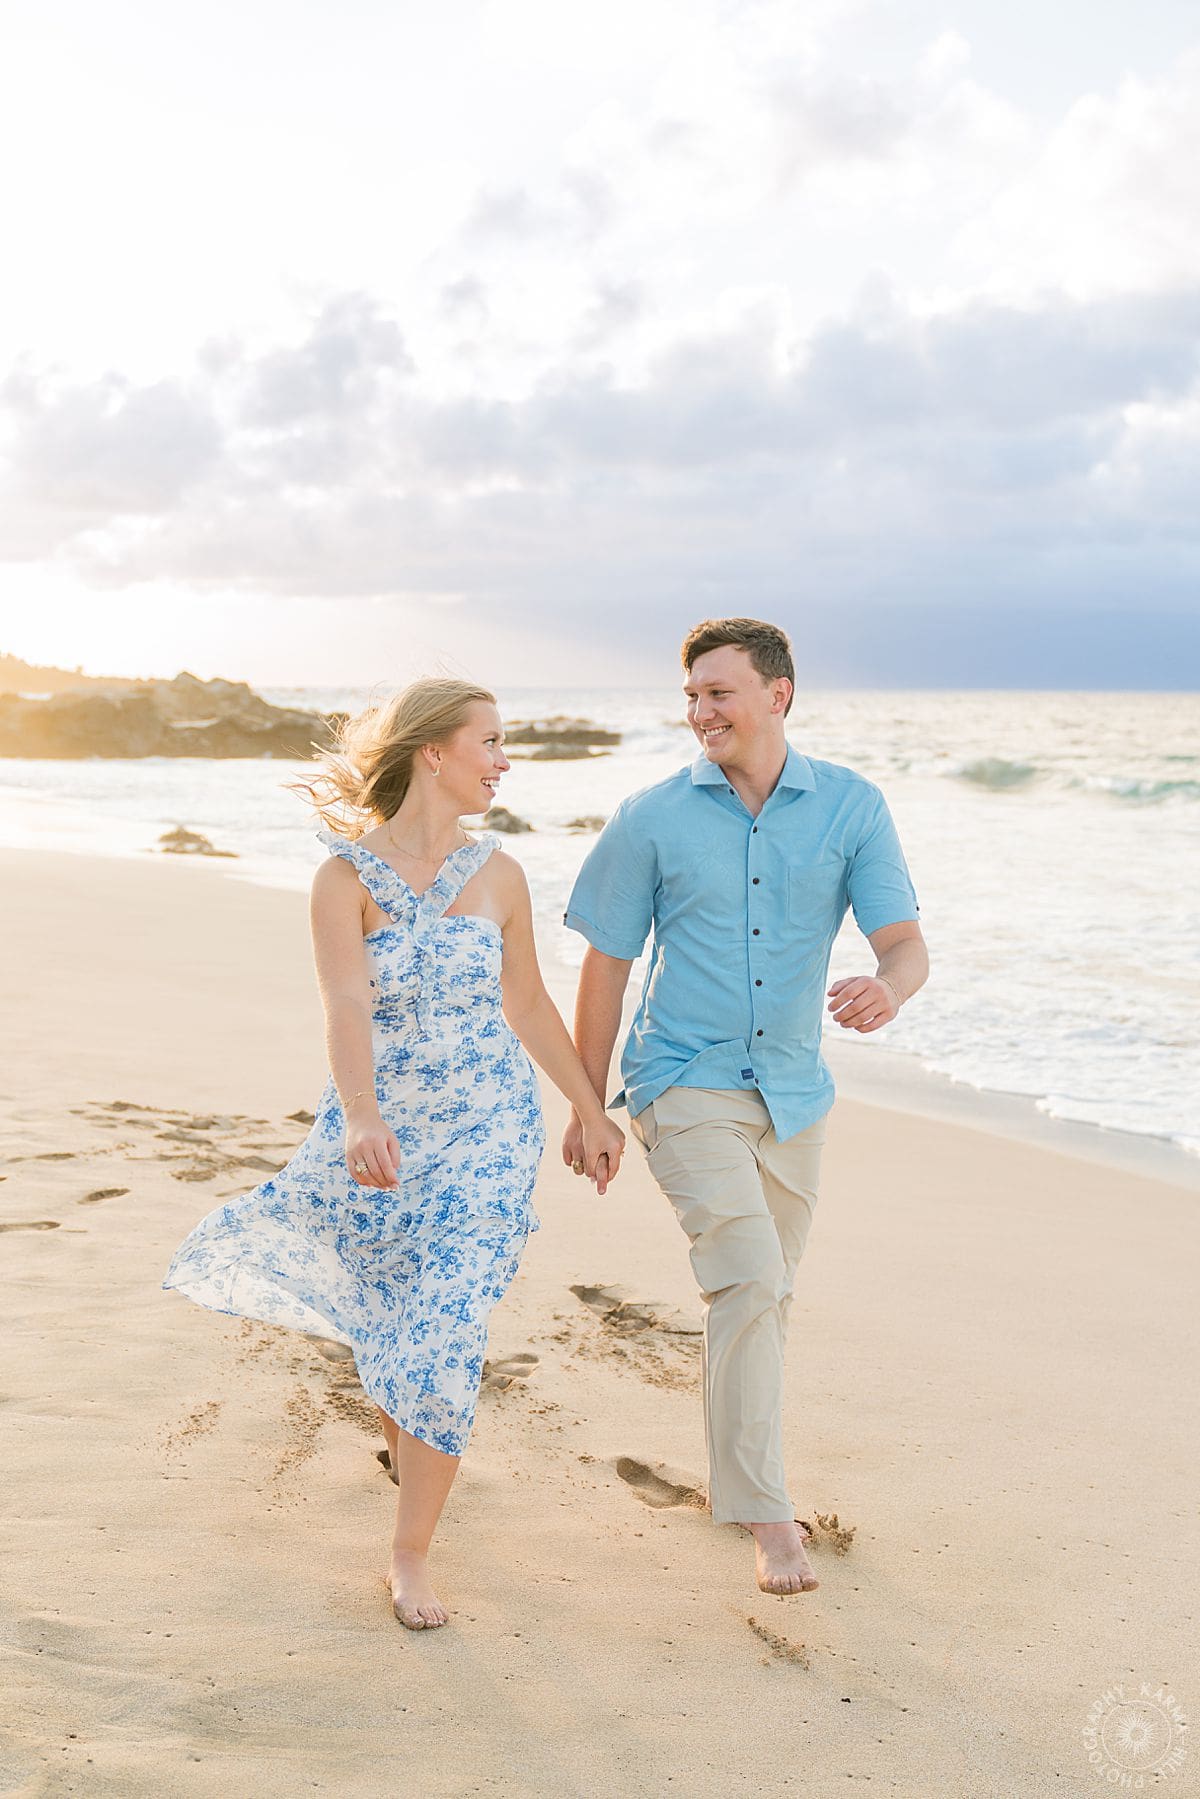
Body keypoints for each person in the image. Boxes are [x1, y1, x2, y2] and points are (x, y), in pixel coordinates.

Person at [164, 677, 625, 1630]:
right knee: (391, 1319)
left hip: (490, 1136)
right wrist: (364, 1117)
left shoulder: (500, 875)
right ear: (434, 752)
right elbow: (344, 1005)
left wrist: (589, 1109)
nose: (504, 761)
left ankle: (409, 1553)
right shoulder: (343, 880)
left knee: (448, 1327)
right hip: (380, 1138)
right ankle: (412, 1448)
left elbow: (529, 1005)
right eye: (491, 742)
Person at [561, 618, 927, 1597]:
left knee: (761, 1294)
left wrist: (892, 985)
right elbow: (607, 962)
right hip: (682, 1076)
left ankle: (742, 1485)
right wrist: (590, 1104)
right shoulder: (650, 817)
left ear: (779, 694)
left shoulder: (851, 806)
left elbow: (906, 944)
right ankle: (768, 1515)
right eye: (691, 696)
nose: (700, 712)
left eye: (718, 693)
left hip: (796, 1091)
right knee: (750, 1274)